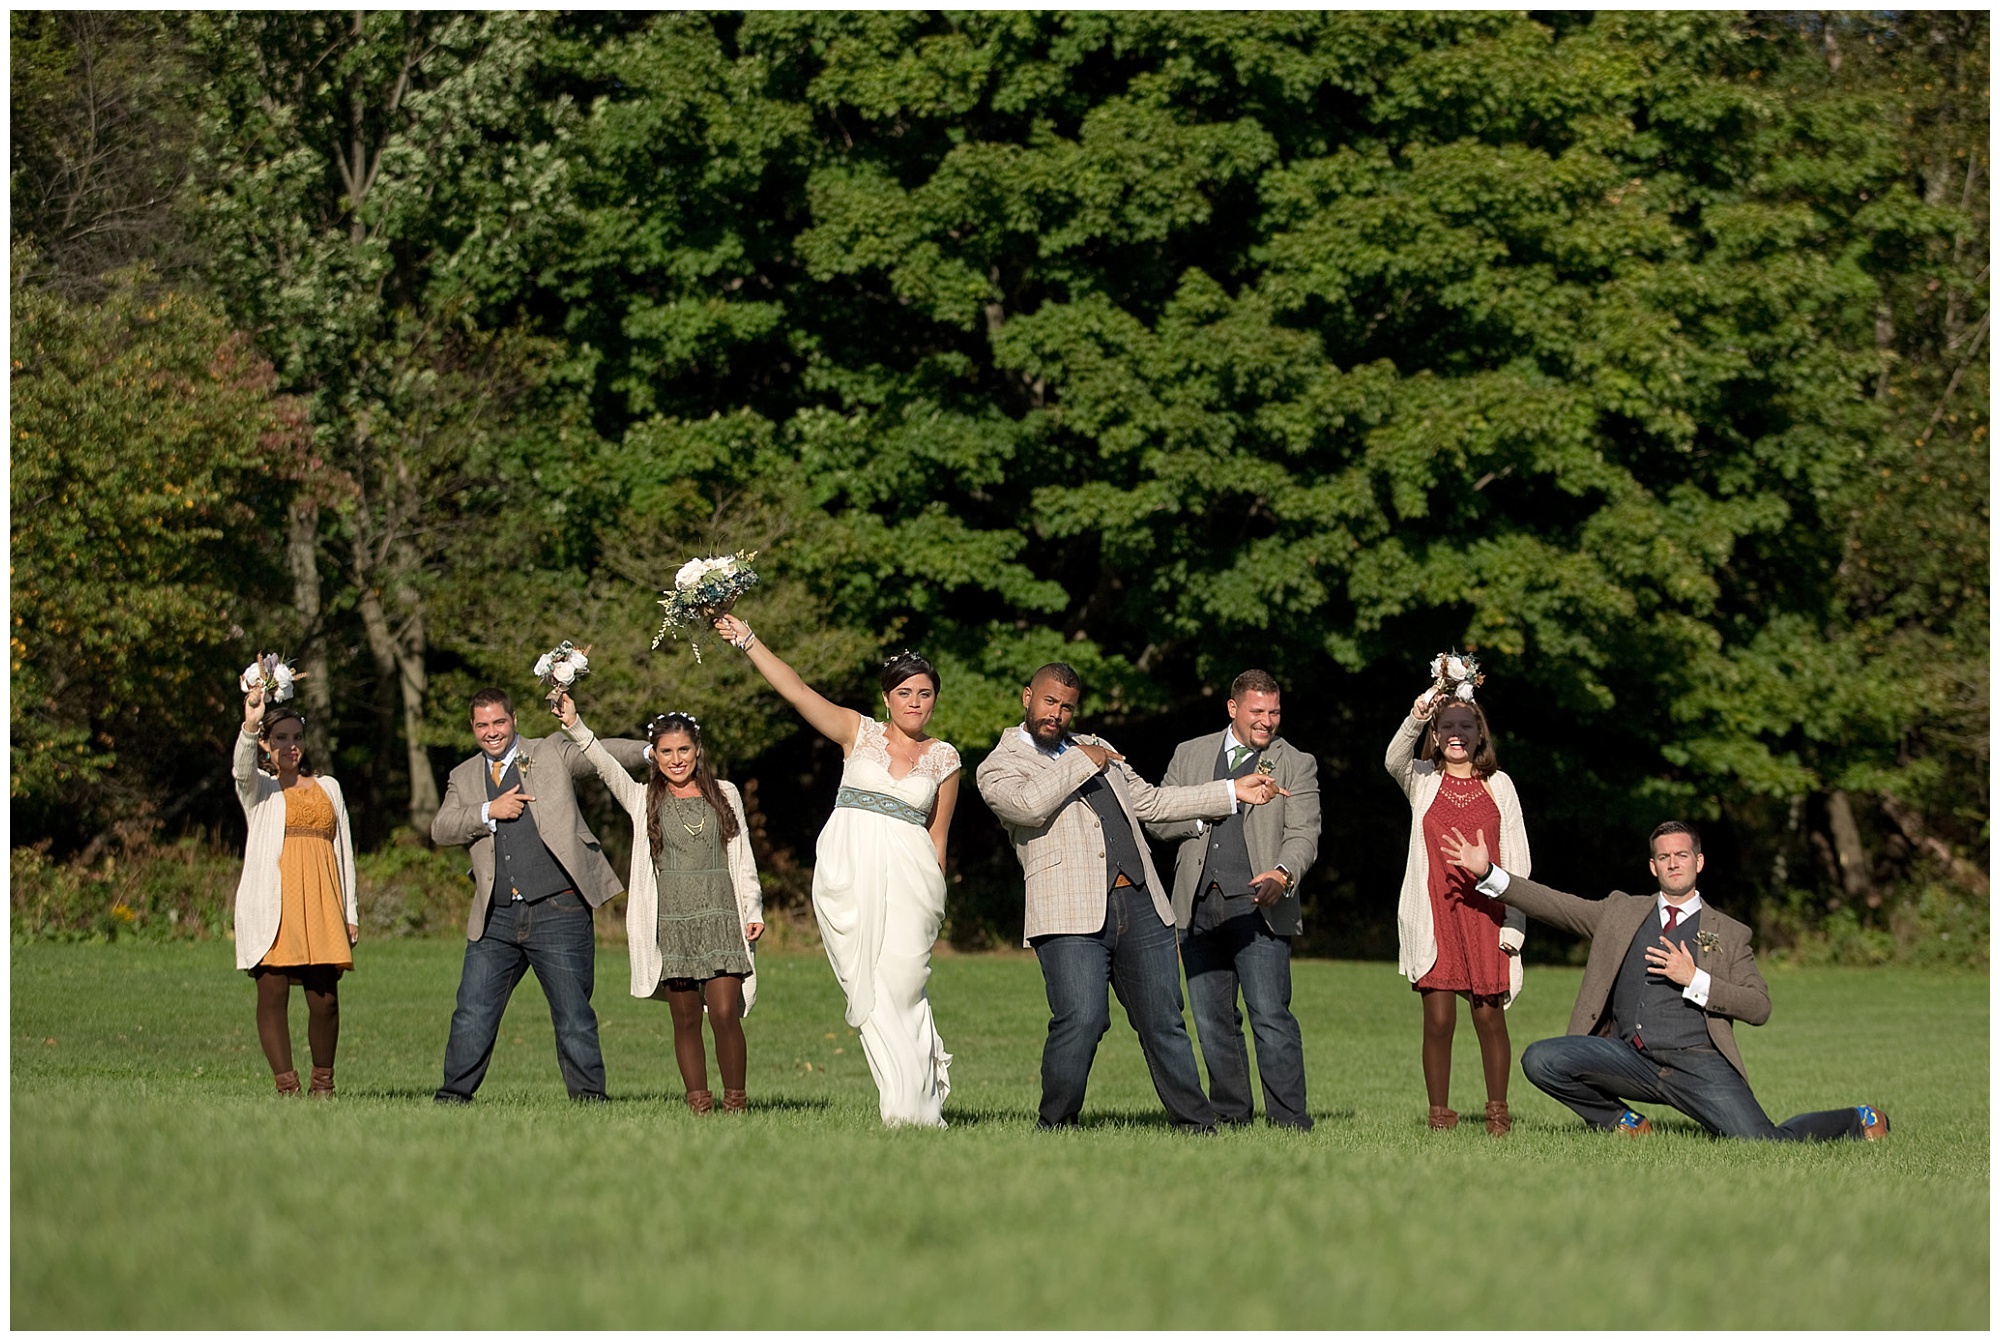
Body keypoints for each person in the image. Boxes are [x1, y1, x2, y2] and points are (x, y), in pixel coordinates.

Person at [1439, 820, 1891, 1141]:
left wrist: (1696, 978)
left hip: (1699, 1065)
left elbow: (1759, 1007)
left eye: (1681, 855)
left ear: (1698, 861)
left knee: (1765, 1142)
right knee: (1542, 1060)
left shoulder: (1730, 933)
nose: (1673, 864)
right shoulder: (1620, 913)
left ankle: (1858, 1118)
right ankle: (1623, 1123)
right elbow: (1556, 905)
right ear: (1652, 867)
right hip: (1628, 1059)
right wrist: (1489, 874)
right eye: (1663, 857)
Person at [976, 662, 1285, 1132]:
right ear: (1027, 697)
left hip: (1141, 903)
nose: (1057, 714)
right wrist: (1084, 759)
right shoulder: (999, 765)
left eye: (1067, 707)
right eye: (1049, 702)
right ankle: (1055, 1124)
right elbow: (1028, 806)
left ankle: (1197, 1126)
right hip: (1068, 912)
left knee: (1164, 1021)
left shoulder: (1098, 748)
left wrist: (1230, 791)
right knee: (1082, 1019)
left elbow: (1152, 803)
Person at [715, 612, 960, 1127]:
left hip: (914, 882)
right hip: (849, 875)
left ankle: (923, 1100)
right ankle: (902, 1108)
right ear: (887, 698)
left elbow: (938, 838)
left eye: (924, 693)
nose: (915, 702)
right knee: (869, 988)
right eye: (905, 693)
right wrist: (749, 640)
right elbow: (798, 691)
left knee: (905, 982)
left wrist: (935, 904)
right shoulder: (858, 733)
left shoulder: (945, 758)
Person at [428, 687, 649, 1104]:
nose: (491, 732)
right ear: (472, 728)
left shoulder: (548, 753)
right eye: (482, 725)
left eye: (499, 722)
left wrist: (653, 751)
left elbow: (599, 752)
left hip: (559, 907)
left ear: (513, 720)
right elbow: (441, 829)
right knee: (472, 1013)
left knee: (573, 1015)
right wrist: (487, 812)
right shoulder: (462, 776)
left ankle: (589, 1101)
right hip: (494, 918)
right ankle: (453, 1099)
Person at [556, 693, 764, 1114]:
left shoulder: (725, 794)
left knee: (725, 1011)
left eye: (683, 749)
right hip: (671, 922)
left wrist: (753, 907)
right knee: (685, 1018)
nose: (676, 759)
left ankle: (736, 1103)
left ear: (698, 750)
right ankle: (699, 1103)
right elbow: (604, 764)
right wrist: (575, 724)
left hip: (722, 916)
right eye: (666, 752)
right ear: (655, 756)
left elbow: (743, 859)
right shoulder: (642, 799)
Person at [1146, 669, 1322, 1130]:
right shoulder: (1190, 754)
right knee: (1211, 1020)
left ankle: (1289, 1121)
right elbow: (1159, 820)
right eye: (1258, 711)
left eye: (1275, 712)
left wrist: (1283, 875)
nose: (1267, 721)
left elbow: (1304, 834)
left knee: (1270, 1016)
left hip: (1260, 907)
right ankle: (1230, 1116)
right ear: (1233, 708)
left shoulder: (1296, 762)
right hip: (1196, 904)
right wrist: (1207, 810)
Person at [1386, 687, 1530, 1135]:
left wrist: (1514, 924)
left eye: (1466, 726)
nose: (1456, 733)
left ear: (1479, 734)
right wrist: (1417, 712)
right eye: (1447, 725)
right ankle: (1440, 1117)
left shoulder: (1499, 785)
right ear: (1435, 731)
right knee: (1439, 1020)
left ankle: (1498, 1116)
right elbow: (1393, 759)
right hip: (1435, 916)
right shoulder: (1423, 779)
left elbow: (1519, 860)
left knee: (1489, 1017)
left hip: (1487, 917)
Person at [232, 686, 359, 1096]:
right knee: (272, 992)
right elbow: (241, 770)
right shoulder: (260, 791)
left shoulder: (330, 787)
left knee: (325, 998)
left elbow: (344, 853)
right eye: (281, 738)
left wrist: (350, 911)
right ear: (266, 745)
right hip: (275, 901)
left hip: (322, 900)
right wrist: (251, 723)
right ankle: (287, 1086)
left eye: (297, 737)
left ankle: (324, 1085)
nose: (291, 746)